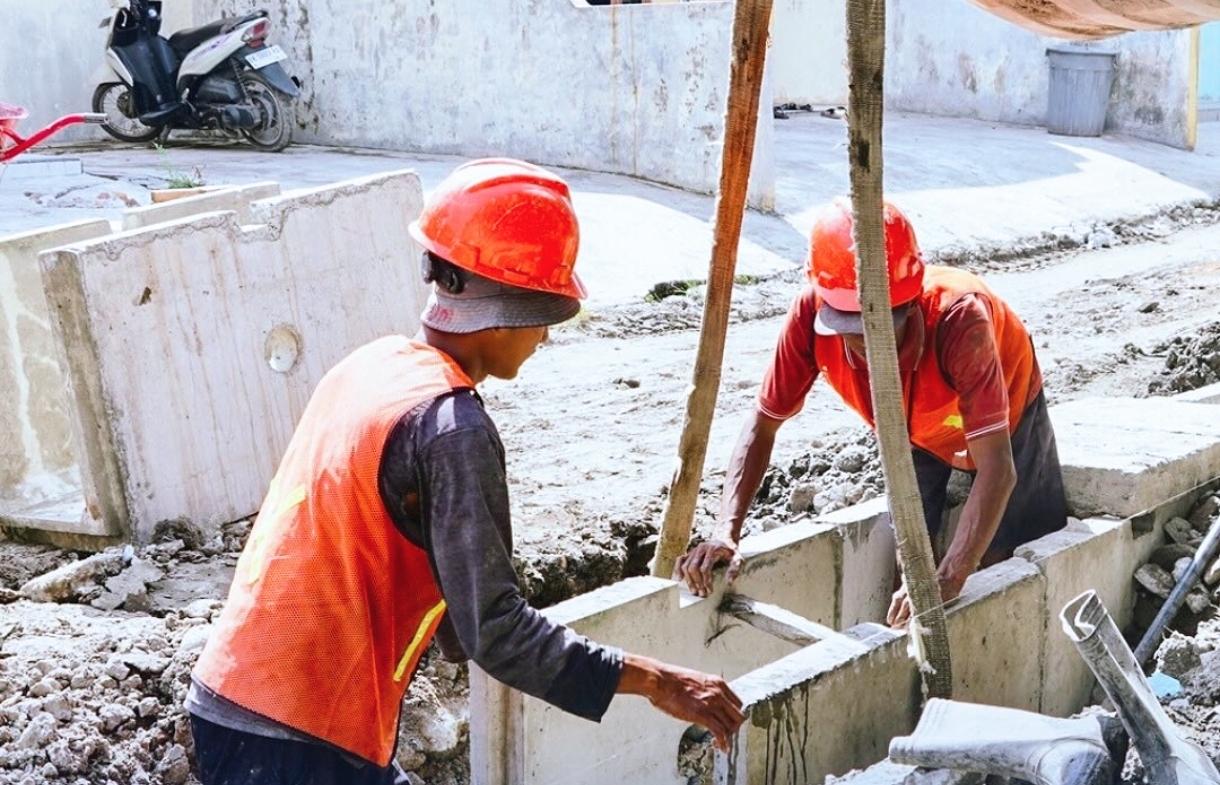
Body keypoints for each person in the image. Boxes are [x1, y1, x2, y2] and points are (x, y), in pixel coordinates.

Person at [187, 159, 744, 785]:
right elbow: (497, 631)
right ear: (506, 312)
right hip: (293, 738)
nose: (546, 339)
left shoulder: (373, 366)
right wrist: (658, 681)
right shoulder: (454, 428)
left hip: (237, 699)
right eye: (546, 317)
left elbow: (448, 596)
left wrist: (491, 626)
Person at [676, 198, 1066, 628]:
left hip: (1007, 410)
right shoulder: (808, 318)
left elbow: (998, 470)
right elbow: (763, 422)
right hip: (913, 430)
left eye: (883, 326)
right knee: (912, 561)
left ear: (912, 302)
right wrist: (725, 530)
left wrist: (953, 577)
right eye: (854, 332)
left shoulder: (960, 320)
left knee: (1005, 560)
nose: (870, 345)